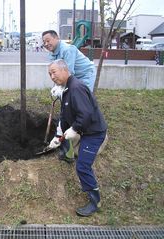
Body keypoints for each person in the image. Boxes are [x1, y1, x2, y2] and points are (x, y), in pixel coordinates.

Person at [47, 59, 107, 217]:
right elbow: (65, 115)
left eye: (54, 72)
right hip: (85, 130)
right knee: (66, 139)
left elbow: (86, 114)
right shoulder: (66, 89)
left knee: (83, 167)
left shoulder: (76, 88)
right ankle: (67, 155)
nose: (52, 76)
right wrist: (58, 135)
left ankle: (95, 202)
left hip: (93, 133)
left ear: (65, 70)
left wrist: (74, 129)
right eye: (49, 74)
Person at [42, 30, 97, 162]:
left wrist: (62, 89)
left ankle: (82, 137)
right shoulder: (52, 54)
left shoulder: (68, 49)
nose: (46, 43)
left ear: (57, 38)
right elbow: (56, 73)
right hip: (72, 78)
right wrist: (56, 87)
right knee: (66, 106)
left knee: (79, 105)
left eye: (48, 40)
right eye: (44, 42)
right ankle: (66, 142)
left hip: (84, 76)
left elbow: (69, 73)